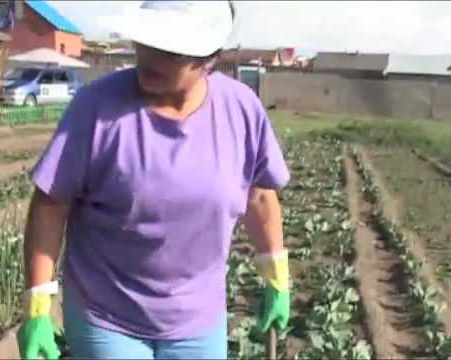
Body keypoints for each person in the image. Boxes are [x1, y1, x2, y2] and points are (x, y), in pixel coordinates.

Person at [16, 1, 291, 359]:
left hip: (197, 319)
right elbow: (51, 205)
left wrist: (276, 276)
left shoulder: (240, 110)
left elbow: (259, 197)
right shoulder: (96, 108)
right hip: (107, 315)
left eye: (171, 51)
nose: (150, 57)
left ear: (209, 58)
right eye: (147, 42)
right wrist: (37, 302)